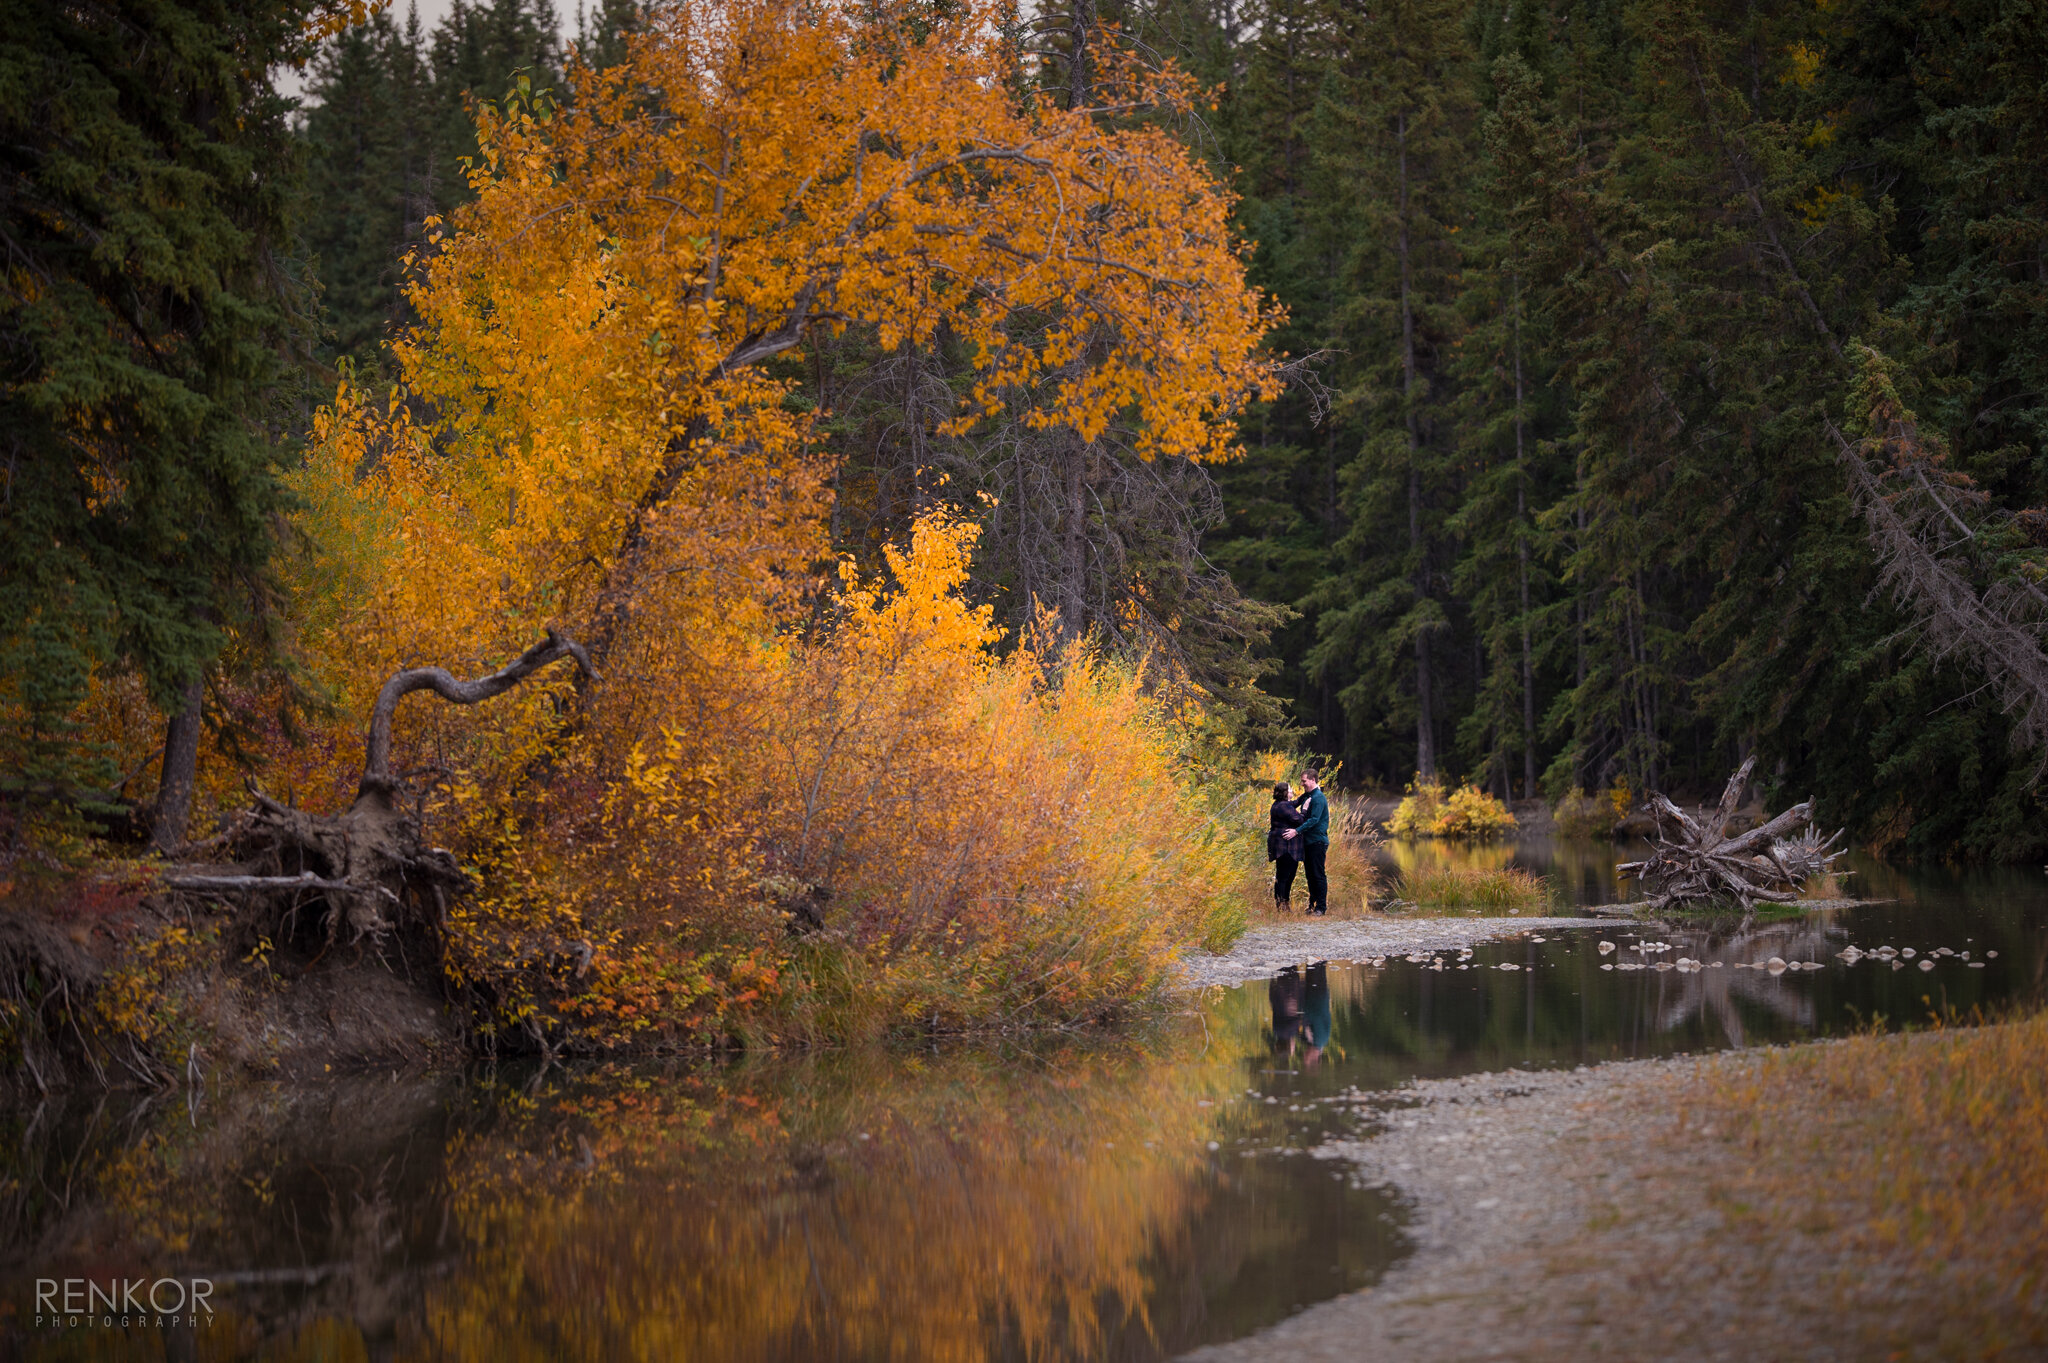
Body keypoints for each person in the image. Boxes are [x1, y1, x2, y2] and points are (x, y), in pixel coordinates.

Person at [1267, 780, 1306, 910]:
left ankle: (1284, 902)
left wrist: (1304, 797)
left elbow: (1293, 804)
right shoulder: (1283, 806)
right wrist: (1305, 811)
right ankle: (1281, 904)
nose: (1292, 791)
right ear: (1284, 792)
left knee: (1287, 875)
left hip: (1285, 846)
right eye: (1290, 789)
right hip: (1285, 847)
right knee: (1284, 876)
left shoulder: (1281, 804)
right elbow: (1299, 820)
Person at [1296, 768, 1330, 915]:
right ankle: (1312, 905)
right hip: (1308, 842)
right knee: (1310, 875)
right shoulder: (1308, 796)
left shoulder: (1318, 798)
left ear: (1313, 780)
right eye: (1302, 781)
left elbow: (1314, 820)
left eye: (1304, 781)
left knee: (1318, 874)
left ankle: (1321, 908)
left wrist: (1296, 831)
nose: (1302, 784)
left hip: (1317, 841)